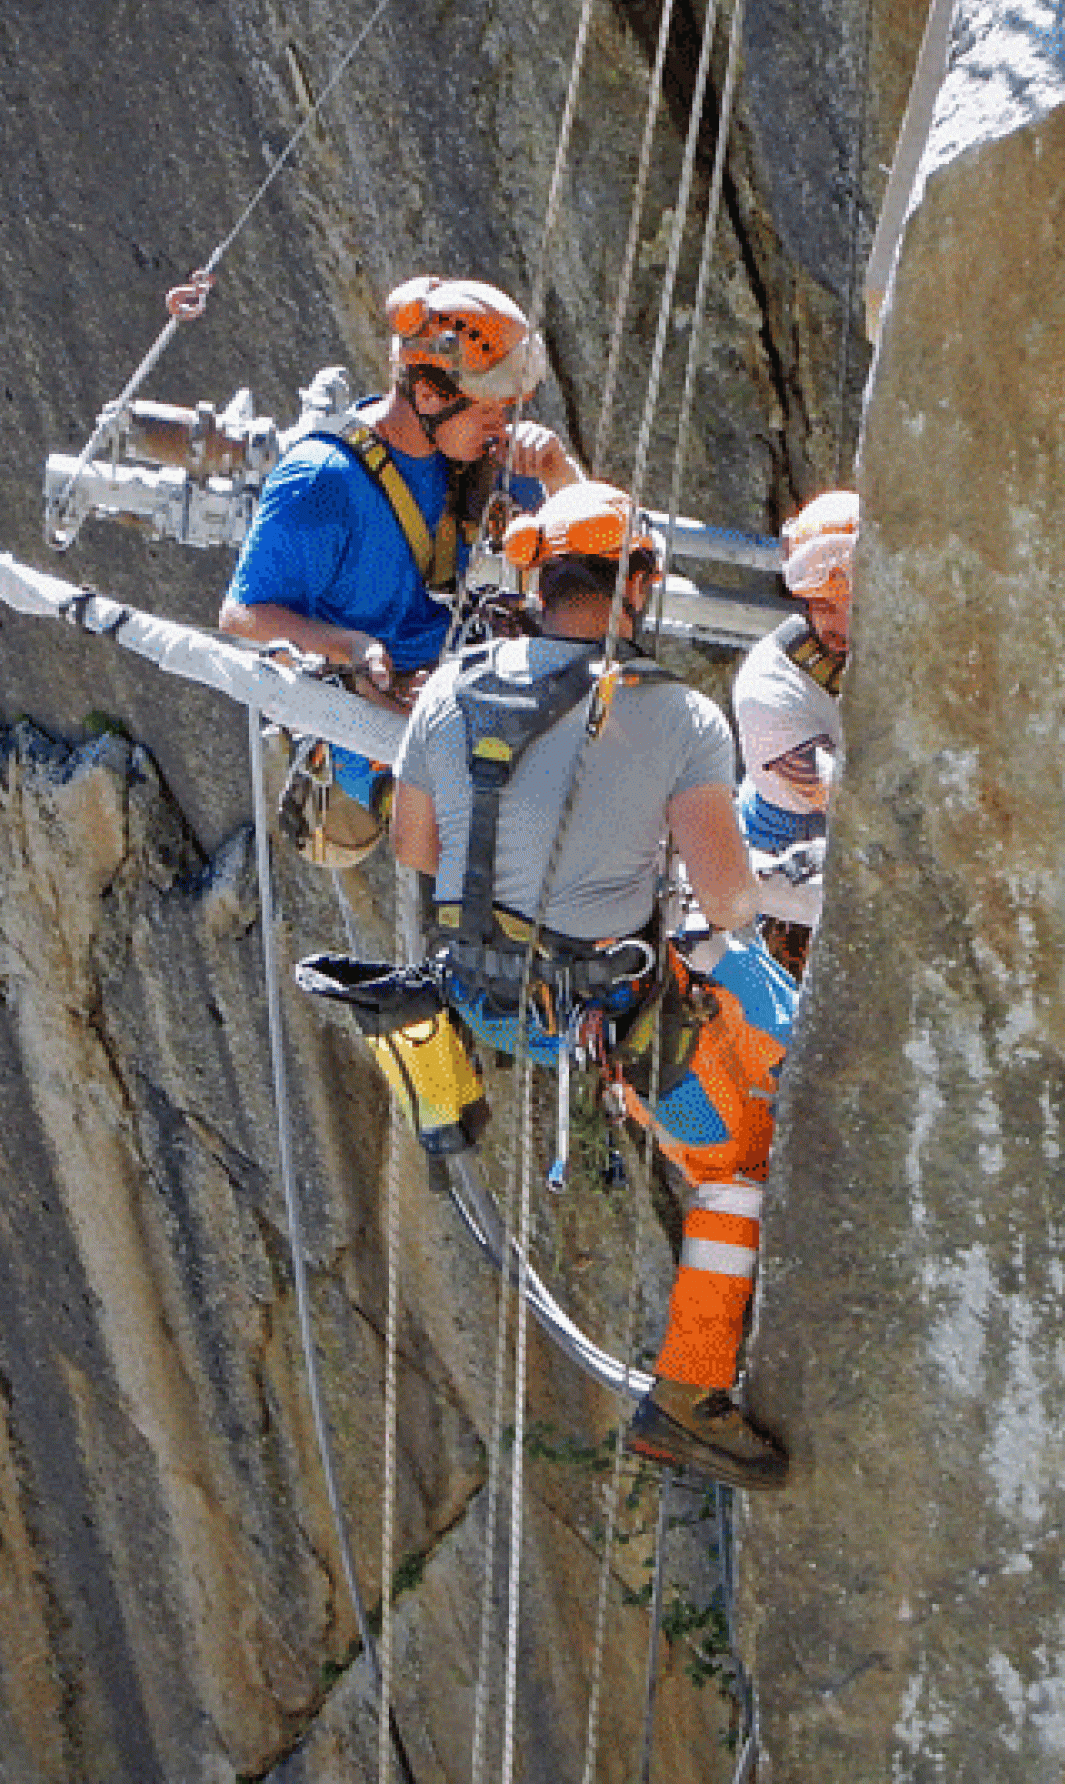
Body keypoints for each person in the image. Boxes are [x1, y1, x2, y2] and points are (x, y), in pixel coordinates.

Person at [388, 481, 797, 1490]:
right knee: (734, 1169)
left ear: (535, 575)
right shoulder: (677, 714)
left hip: (482, 1000)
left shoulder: (449, 688)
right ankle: (688, 1390)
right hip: (604, 1019)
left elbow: (412, 843)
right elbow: (734, 903)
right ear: (639, 584)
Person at [218, 275, 583, 827]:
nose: (502, 425)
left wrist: (558, 474)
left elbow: (604, 550)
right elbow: (242, 614)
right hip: (378, 723)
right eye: (490, 408)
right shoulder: (322, 481)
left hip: (466, 690)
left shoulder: (482, 457)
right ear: (430, 394)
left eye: (511, 408)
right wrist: (351, 646)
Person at [730, 491, 855, 970]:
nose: (839, 624)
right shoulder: (769, 690)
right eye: (823, 606)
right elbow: (847, 800)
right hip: (791, 840)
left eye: (852, 604)